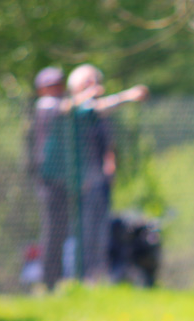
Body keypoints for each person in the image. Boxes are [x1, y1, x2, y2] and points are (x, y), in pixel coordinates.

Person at [64, 64, 148, 282]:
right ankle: (78, 276)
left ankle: (98, 275)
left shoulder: (98, 112)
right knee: (81, 233)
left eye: (96, 81)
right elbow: (92, 107)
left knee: (100, 230)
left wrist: (110, 164)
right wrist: (127, 96)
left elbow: (107, 142)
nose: (94, 86)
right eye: (88, 82)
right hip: (77, 182)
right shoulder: (70, 108)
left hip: (98, 181)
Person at [27, 66, 71, 291]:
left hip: (62, 180)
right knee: (52, 230)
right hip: (48, 180)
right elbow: (64, 107)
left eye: (59, 84)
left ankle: (57, 278)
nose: (57, 89)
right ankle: (48, 280)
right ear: (41, 89)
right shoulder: (45, 106)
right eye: (51, 85)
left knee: (61, 231)